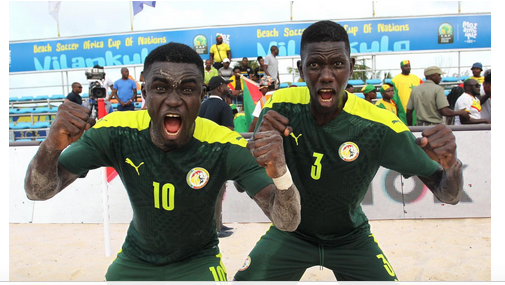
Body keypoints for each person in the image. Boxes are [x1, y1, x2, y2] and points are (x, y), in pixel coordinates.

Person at [24, 42, 301, 281]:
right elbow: (37, 191)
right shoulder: (116, 131)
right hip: (135, 260)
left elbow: (287, 222)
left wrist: (281, 174)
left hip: (198, 262)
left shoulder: (224, 145)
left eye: (187, 89)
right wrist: (51, 146)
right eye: (160, 87)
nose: (173, 100)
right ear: (144, 93)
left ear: (201, 96)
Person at [235, 20, 464, 282]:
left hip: (350, 238)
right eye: (314, 65)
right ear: (301, 69)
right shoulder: (279, 107)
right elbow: (249, 177)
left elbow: (449, 194)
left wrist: (451, 163)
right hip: (291, 233)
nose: (326, 75)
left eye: (337, 64)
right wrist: (258, 156)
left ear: (351, 66)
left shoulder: (379, 126)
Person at [198, 76, 236, 238]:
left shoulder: (202, 106)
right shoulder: (223, 106)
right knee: (218, 192)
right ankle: (216, 228)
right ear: (220, 88)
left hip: (201, 154)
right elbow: (228, 132)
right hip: (217, 155)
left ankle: (216, 223)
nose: (228, 88)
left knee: (206, 192)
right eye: (226, 85)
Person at [391, 60, 423, 125]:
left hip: (416, 106)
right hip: (402, 107)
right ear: (401, 67)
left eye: (409, 66)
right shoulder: (395, 79)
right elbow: (393, 95)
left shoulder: (416, 78)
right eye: (406, 66)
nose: (408, 67)